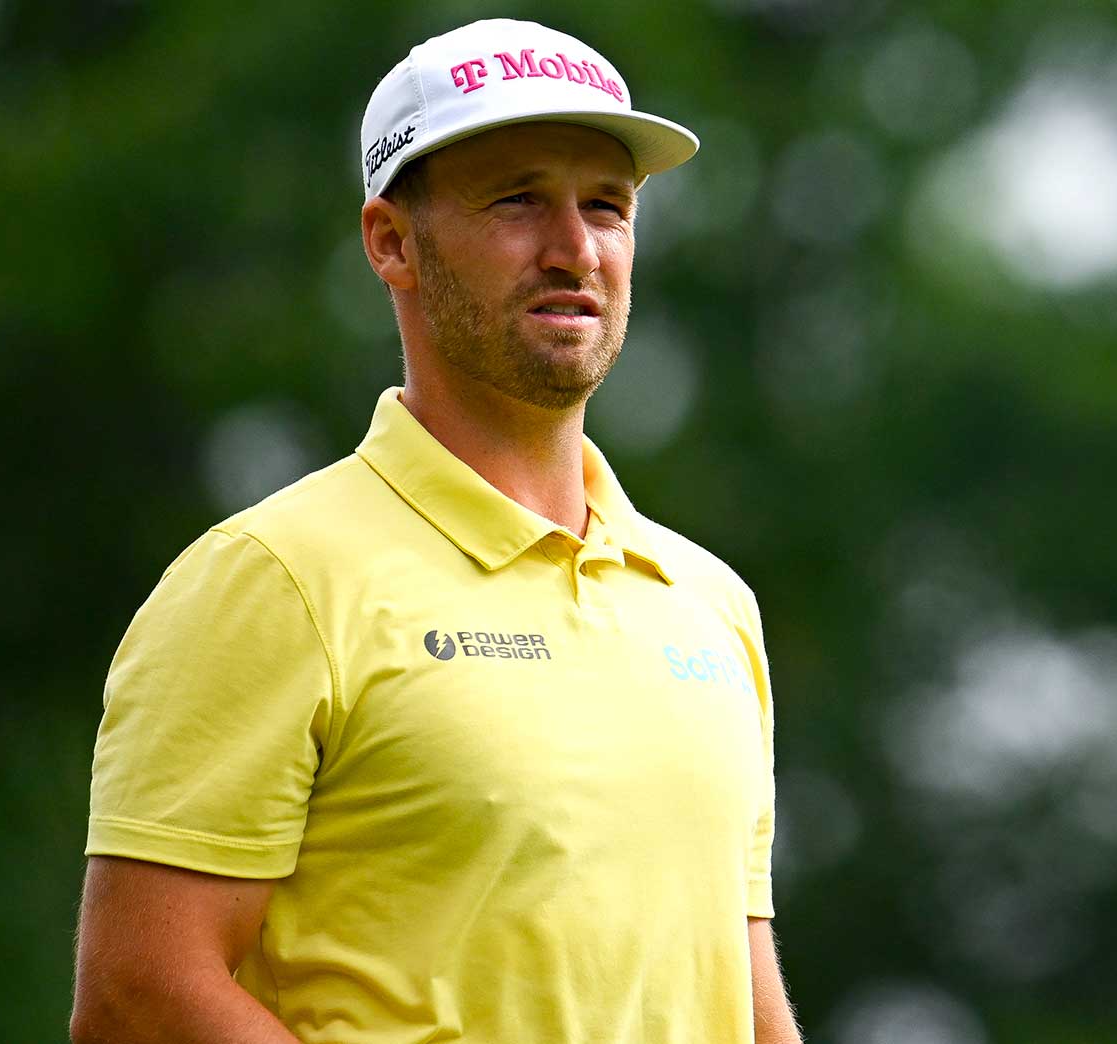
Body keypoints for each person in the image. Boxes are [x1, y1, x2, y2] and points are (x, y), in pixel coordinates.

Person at [70, 18, 802, 1044]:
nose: (574, 248)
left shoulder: (709, 605)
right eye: (516, 201)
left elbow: (741, 993)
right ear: (391, 242)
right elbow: (137, 996)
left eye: (606, 204)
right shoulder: (271, 579)